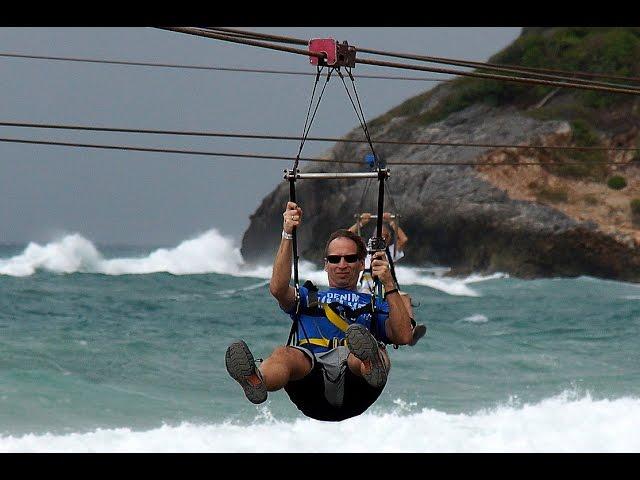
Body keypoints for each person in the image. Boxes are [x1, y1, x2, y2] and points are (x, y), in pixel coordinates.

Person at [224, 201, 414, 421]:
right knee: (285, 354)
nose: (342, 264)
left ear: (362, 263)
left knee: (362, 350)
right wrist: (287, 233)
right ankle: (257, 380)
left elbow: (404, 336)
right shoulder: (307, 297)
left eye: (350, 259)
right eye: (334, 259)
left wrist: (389, 283)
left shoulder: (375, 302)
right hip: (311, 382)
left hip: (358, 387)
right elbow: (277, 288)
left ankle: (371, 363)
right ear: (326, 265)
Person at [349, 212, 426, 347]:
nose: (382, 239)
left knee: (405, 297)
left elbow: (403, 239)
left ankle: (410, 328)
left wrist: (392, 222)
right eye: (379, 237)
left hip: (386, 291)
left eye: (385, 237)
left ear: (389, 239)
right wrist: (361, 223)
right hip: (367, 290)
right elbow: (348, 237)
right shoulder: (364, 253)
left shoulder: (390, 253)